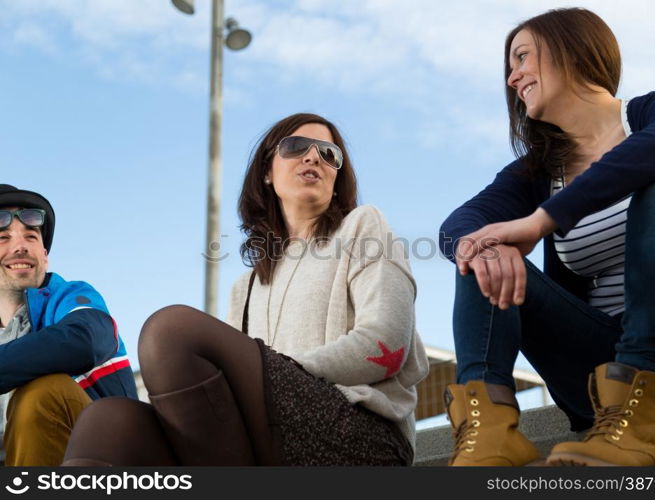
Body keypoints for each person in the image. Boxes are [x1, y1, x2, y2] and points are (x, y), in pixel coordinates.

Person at [62, 113, 429, 466]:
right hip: (266, 439)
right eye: (297, 145)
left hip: (360, 436)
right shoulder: (247, 286)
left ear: (338, 177)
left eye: (329, 153)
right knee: (109, 420)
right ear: (267, 171)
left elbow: (387, 346)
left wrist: (282, 373)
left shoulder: (364, 227)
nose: (314, 156)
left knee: (170, 332)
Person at [439, 7, 655, 467]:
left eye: (522, 58)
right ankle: (489, 434)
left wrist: (542, 221)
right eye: (510, 66)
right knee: (484, 248)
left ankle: (639, 424)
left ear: (571, 48)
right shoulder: (540, 171)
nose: (513, 78)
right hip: (594, 377)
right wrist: (478, 246)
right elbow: (461, 222)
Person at [0, 184, 138, 466]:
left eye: (31, 236)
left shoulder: (71, 297)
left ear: (44, 256)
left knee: (41, 393)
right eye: (3, 237)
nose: (21, 246)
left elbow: (85, 340)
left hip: (105, 460)